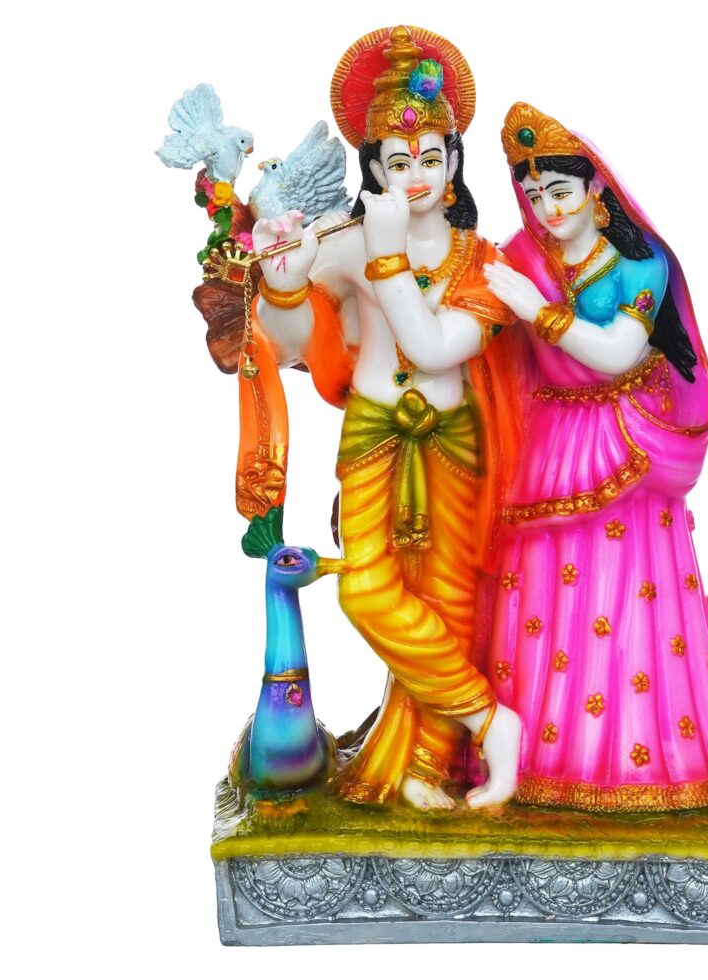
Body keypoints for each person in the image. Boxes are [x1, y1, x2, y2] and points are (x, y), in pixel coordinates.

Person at [240, 26, 521, 810]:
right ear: (374, 170)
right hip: (371, 431)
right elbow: (289, 341)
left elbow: (435, 350)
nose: (417, 176)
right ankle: (488, 720)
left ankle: (428, 766)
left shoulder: (481, 261)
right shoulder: (348, 243)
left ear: (455, 164)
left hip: (454, 442)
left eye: (431, 158)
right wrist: (286, 284)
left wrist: (389, 252)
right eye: (399, 162)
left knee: (448, 599)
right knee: (365, 588)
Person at [481, 103, 708, 812]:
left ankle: (635, 762)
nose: (549, 210)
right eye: (534, 196)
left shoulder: (640, 263)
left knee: (625, 586)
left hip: (628, 435)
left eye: (561, 192)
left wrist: (536, 310)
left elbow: (616, 353)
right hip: (547, 437)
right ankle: (531, 755)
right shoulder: (520, 258)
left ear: (595, 188)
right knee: (538, 581)